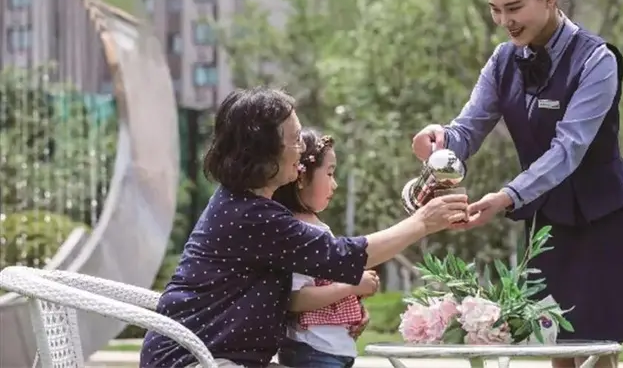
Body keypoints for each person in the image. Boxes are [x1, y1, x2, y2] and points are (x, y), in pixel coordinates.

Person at [411, 0, 623, 368]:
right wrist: (440, 139)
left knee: (595, 347)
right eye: (495, 10)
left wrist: (505, 197)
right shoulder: (503, 60)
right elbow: (469, 127)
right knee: (551, 343)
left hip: (602, 218)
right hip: (545, 222)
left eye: (514, 8)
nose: (504, 22)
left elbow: (568, 149)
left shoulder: (597, 60)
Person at [140, 87, 468, 368]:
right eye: (296, 139)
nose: (302, 148)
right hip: (193, 360)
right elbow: (342, 256)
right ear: (265, 151)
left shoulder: (243, 205)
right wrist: (422, 222)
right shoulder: (253, 216)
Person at [272, 130, 372, 368]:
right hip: (314, 351)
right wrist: (351, 285)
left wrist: (355, 306)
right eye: (329, 173)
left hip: (330, 350)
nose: (334, 184)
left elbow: (323, 286)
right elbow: (295, 298)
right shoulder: (296, 231)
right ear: (302, 177)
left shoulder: (316, 228)